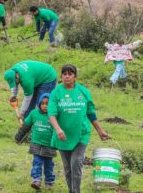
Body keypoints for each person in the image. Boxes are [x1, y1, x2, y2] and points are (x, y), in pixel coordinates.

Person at [48, 65, 110, 193]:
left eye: (70, 74)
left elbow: (91, 113)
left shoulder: (83, 91)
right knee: (67, 168)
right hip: (63, 136)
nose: (67, 76)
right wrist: (58, 129)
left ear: (75, 77)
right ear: (61, 76)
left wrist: (100, 130)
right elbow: (51, 114)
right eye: (64, 74)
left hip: (81, 134)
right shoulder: (56, 92)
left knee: (76, 163)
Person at [15, 94, 56, 191]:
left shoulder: (54, 116)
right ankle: (36, 180)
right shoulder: (34, 114)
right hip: (36, 144)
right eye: (43, 103)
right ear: (39, 104)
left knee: (49, 165)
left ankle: (49, 182)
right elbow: (26, 126)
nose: (45, 106)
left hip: (49, 145)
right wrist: (19, 136)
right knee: (37, 162)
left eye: (47, 104)